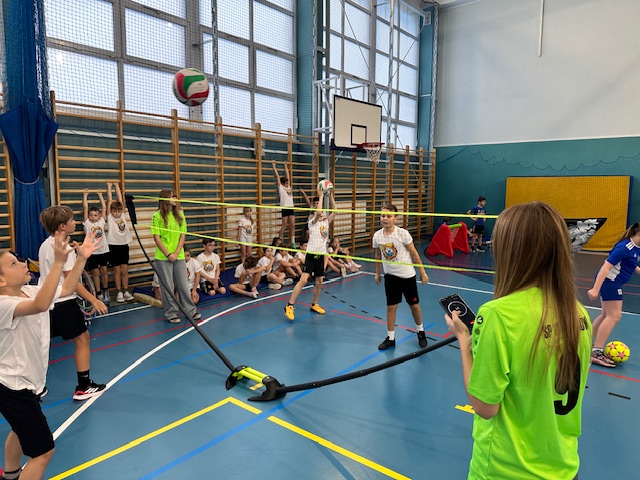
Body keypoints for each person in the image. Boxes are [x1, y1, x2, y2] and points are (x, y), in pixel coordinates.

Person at [445, 202, 591, 479]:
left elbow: (485, 407)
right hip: (562, 465)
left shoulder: (499, 315)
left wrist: (464, 340)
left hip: (506, 469)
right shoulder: (578, 312)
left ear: (510, 251)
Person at [0, 231, 99, 480]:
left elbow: (66, 289)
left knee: (19, 430)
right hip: (12, 387)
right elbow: (41, 305)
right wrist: (58, 263)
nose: (22, 263)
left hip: (26, 383)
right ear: (1, 280)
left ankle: (10, 475)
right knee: (43, 453)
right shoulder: (3, 304)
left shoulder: (29, 291)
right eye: (13, 263)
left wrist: (81, 259)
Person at [38, 205, 108, 401]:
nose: (75, 222)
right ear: (62, 226)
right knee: (83, 339)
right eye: (71, 220)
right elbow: (72, 282)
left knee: (41, 345)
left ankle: (36, 386)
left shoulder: (46, 244)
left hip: (47, 302)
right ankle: (84, 386)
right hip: (63, 301)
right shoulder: (64, 249)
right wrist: (93, 299)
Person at [373, 205, 429, 350]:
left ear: (395, 218)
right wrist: (378, 273)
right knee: (391, 308)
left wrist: (422, 272)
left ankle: (420, 332)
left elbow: (414, 254)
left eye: (389, 216)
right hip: (390, 277)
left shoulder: (402, 234)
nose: (385, 218)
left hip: (407, 276)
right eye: (383, 216)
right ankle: (391, 338)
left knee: (414, 306)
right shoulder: (377, 236)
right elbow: (378, 255)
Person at [587, 222, 640, 367]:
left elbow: (631, 263)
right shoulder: (624, 248)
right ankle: (596, 351)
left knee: (605, 315)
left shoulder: (635, 248)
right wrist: (595, 289)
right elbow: (605, 268)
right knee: (614, 316)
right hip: (610, 282)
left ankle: (586, 342)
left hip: (614, 283)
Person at [284, 187, 336, 321]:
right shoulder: (312, 222)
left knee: (319, 281)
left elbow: (335, 210)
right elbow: (317, 212)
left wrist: (330, 196)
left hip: (321, 255)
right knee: (303, 280)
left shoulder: (326, 222)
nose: (321, 212)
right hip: (311, 255)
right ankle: (289, 305)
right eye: (319, 211)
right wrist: (321, 195)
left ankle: (314, 304)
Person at [151, 189, 200, 324]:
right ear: (165, 199)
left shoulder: (180, 215)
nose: (175, 198)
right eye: (172, 196)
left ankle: (190, 310)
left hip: (178, 256)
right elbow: (157, 238)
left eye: (175, 196)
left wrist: (177, 253)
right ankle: (171, 313)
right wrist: (168, 254)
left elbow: (182, 235)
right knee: (167, 286)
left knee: (183, 284)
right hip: (163, 257)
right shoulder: (157, 216)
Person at [106, 181, 134, 303]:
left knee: (124, 270)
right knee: (116, 270)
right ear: (111, 211)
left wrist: (117, 186)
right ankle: (119, 292)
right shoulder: (110, 218)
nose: (116, 213)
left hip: (124, 246)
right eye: (114, 211)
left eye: (118, 211)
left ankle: (126, 290)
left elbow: (120, 201)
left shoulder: (122, 216)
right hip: (114, 246)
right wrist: (109, 187)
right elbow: (110, 201)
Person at [82, 188, 111, 304]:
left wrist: (100, 195)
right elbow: (85, 208)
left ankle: (105, 290)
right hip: (92, 251)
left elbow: (104, 207)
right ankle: (98, 292)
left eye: (95, 215)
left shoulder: (101, 222)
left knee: (104, 270)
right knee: (95, 272)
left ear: (99, 216)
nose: (93, 217)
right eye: (91, 215)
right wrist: (85, 195)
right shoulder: (87, 223)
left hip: (103, 250)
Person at [272, 161, 296, 247]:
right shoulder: (281, 188)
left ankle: (292, 241)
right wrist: (274, 166)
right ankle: (279, 240)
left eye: (288, 183)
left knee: (292, 225)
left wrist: (285, 166)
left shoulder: (289, 187)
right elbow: (277, 176)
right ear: (282, 184)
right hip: (285, 208)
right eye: (286, 183)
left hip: (291, 207)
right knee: (284, 225)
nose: (288, 184)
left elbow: (288, 175)